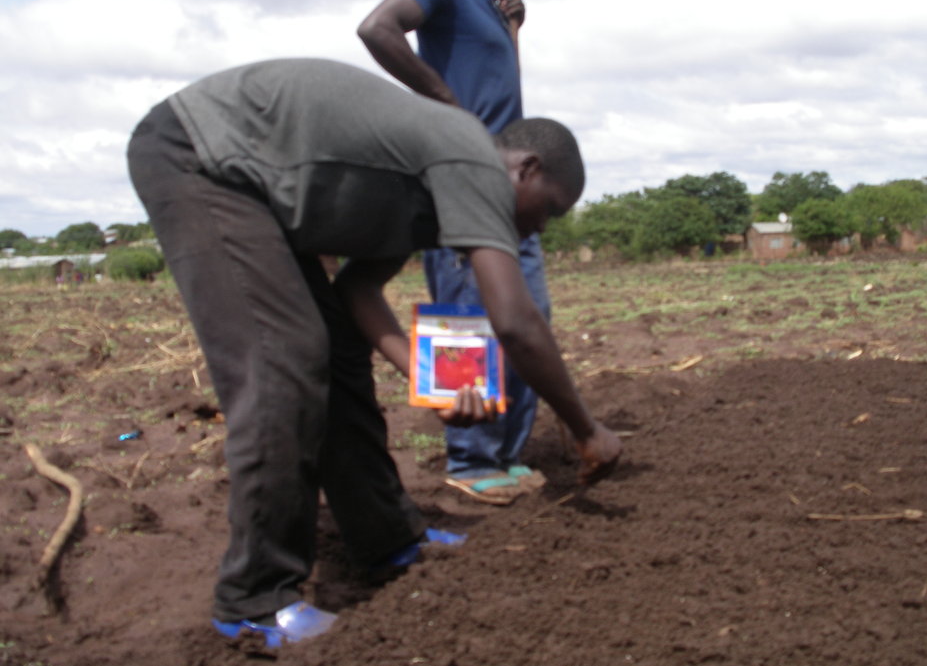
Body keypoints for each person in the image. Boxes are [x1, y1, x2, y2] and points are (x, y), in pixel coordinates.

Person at [126, 58, 622, 647]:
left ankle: (388, 539)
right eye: (551, 208)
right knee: (282, 359)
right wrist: (586, 428)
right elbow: (516, 321)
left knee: (334, 349)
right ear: (525, 169)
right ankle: (254, 601)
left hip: (255, 184)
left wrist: (427, 377)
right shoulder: (471, 157)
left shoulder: (433, 193)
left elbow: (358, 290)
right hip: (201, 154)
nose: (541, 228)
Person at [358, 0, 552, 505]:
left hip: (507, 189)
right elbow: (377, 27)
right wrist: (449, 110)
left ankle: (507, 452)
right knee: (471, 321)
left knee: (529, 319)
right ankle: (470, 460)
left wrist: (512, 25)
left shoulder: (496, 11)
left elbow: (502, 91)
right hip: (460, 182)